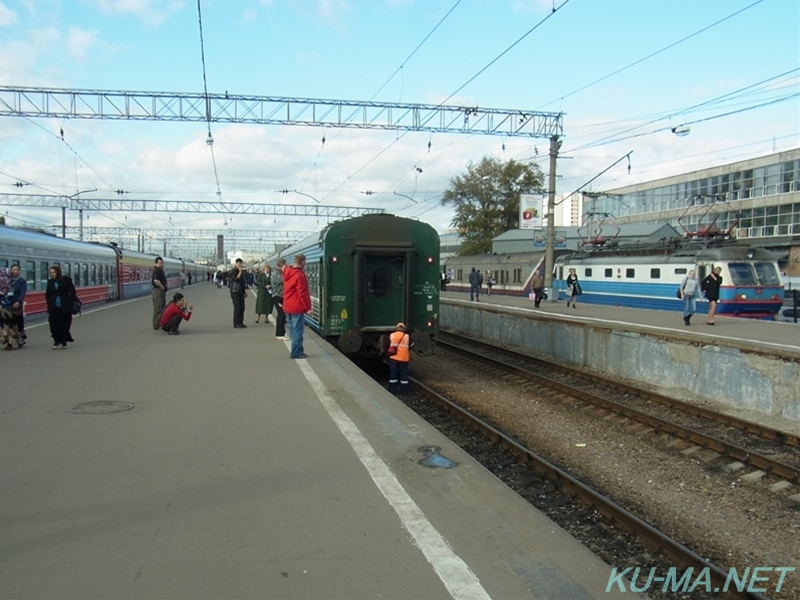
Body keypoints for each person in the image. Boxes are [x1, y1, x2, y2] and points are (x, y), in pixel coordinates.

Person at [283, 253, 312, 359]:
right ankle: (296, 353)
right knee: (298, 331)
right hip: (296, 307)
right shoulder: (299, 275)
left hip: (287, 306)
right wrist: (308, 308)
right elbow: (302, 293)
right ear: (303, 262)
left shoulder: (287, 271)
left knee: (292, 330)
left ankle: (299, 350)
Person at [45, 265, 76, 349]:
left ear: (58, 272)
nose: (52, 274)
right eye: (51, 273)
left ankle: (63, 342)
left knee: (64, 325)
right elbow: (48, 293)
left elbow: (72, 291)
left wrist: (68, 300)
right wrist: (49, 302)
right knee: (53, 324)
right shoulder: (50, 282)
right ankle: (56, 340)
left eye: (54, 272)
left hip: (65, 307)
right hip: (54, 307)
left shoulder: (66, 280)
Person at [0, 266, 26, 350]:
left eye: (18, 270)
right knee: (7, 325)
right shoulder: (6, 281)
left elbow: (22, 293)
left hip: (16, 306)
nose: (16, 271)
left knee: (18, 324)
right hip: (6, 306)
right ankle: (9, 343)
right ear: (11, 271)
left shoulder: (22, 281)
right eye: (14, 270)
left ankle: (20, 339)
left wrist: (19, 301)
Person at [387, 322, 413, 394]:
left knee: (393, 374)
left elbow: (388, 344)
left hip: (394, 358)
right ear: (403, 329)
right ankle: (404, 391)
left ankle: (392, 390)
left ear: (396, 328)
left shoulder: (392, 335)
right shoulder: (407, 336)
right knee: (403, 374)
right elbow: (412, 345)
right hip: (404, 358)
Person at [271, 258, 288, 341]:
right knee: (281, 314)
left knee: (282, 314)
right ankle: (279, 334)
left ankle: (282, 332)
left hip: (281, 296)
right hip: (277, 296)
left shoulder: (279, 273)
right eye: (285, 264)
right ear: (281, 265)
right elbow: (284, 280)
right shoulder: (275, 273)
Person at [230, 258, 248, 328]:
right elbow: (236, 280)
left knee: (242, 308)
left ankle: (241, 322)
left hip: (240, 291)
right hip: (235, 292)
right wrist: (240, 272)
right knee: (237, 308)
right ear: (236, 264)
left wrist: (244, 292)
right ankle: (236, 323)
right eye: (239, 264)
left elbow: (242, 283)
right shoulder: (232, 272)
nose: (240, 265)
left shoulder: (242, 272)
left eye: (241, 264)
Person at [151, 256, 167, 330]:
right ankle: (156, 325)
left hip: (160, 292)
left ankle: (159, 323)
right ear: (156, 263)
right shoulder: (157, 271)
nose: (162, 264)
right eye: (160, 263)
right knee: (158, 308)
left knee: (161, 307)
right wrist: (162, 287)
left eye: (162, 263)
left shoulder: (160, 270)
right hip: (158, 291)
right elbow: (156, 281)